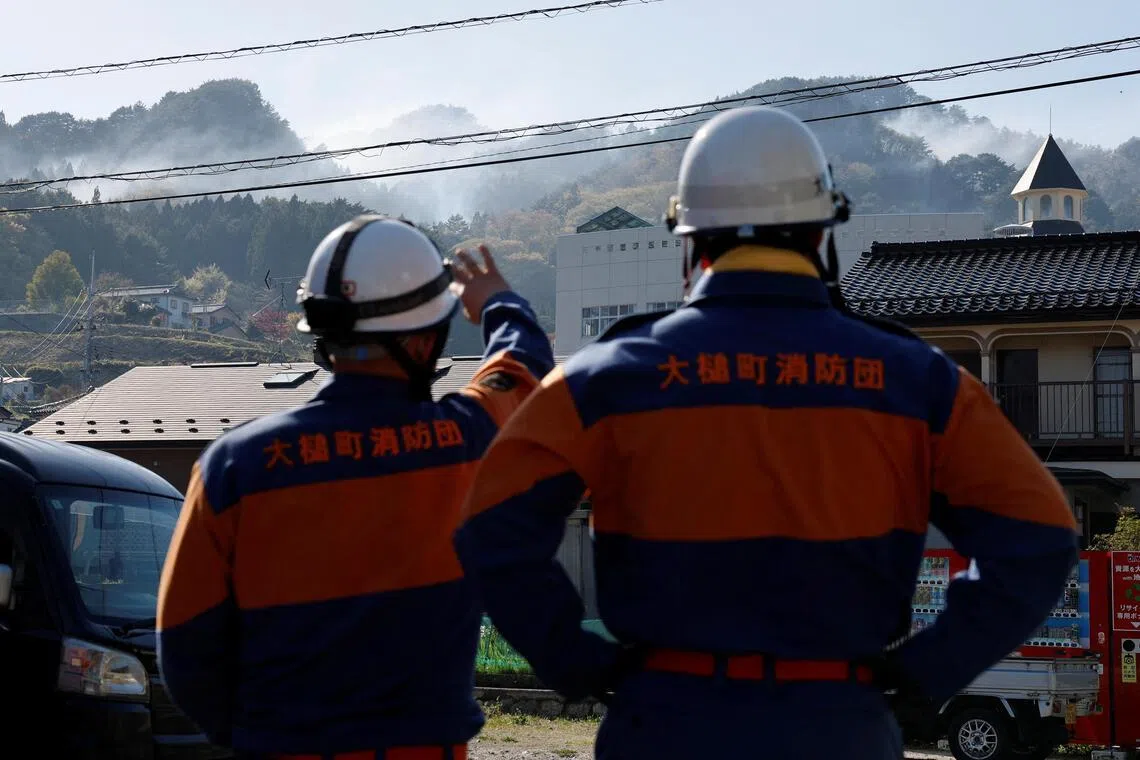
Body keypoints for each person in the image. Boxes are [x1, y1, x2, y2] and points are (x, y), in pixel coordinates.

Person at [452, 106, 1079, 759]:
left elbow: (490, 526)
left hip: (664, 724)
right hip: (841, 728)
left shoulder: (606, 376)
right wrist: (925, 672)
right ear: (821, 236)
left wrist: (581, 663)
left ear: (691, 243)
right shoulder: (921, 380)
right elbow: (1039, 539)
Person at [156, 214, 554, 759]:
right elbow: (523, 364)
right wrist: (497, 301)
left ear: (322, 333)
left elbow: (183, 644)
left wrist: (258, 734)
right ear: (426, 342)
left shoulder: (235, 466)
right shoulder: (466, 440)